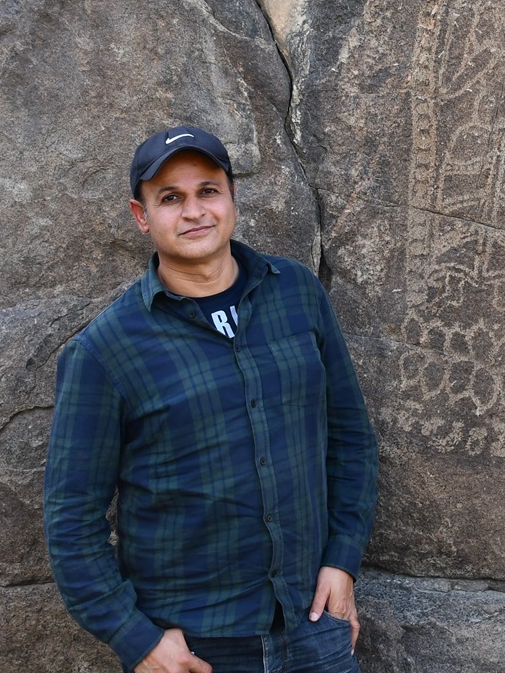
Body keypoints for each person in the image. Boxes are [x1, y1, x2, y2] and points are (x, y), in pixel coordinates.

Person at [44, 125, 378, 673]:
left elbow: (350, 437)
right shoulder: (105, 350)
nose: (194, 211)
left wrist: (342, 561)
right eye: (170, 198)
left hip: (315, 625)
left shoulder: (296, 293)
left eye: (207, 191)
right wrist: (138, 640)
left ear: (231, 198)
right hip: (198, 649)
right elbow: (70, 520)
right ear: (141, 215)